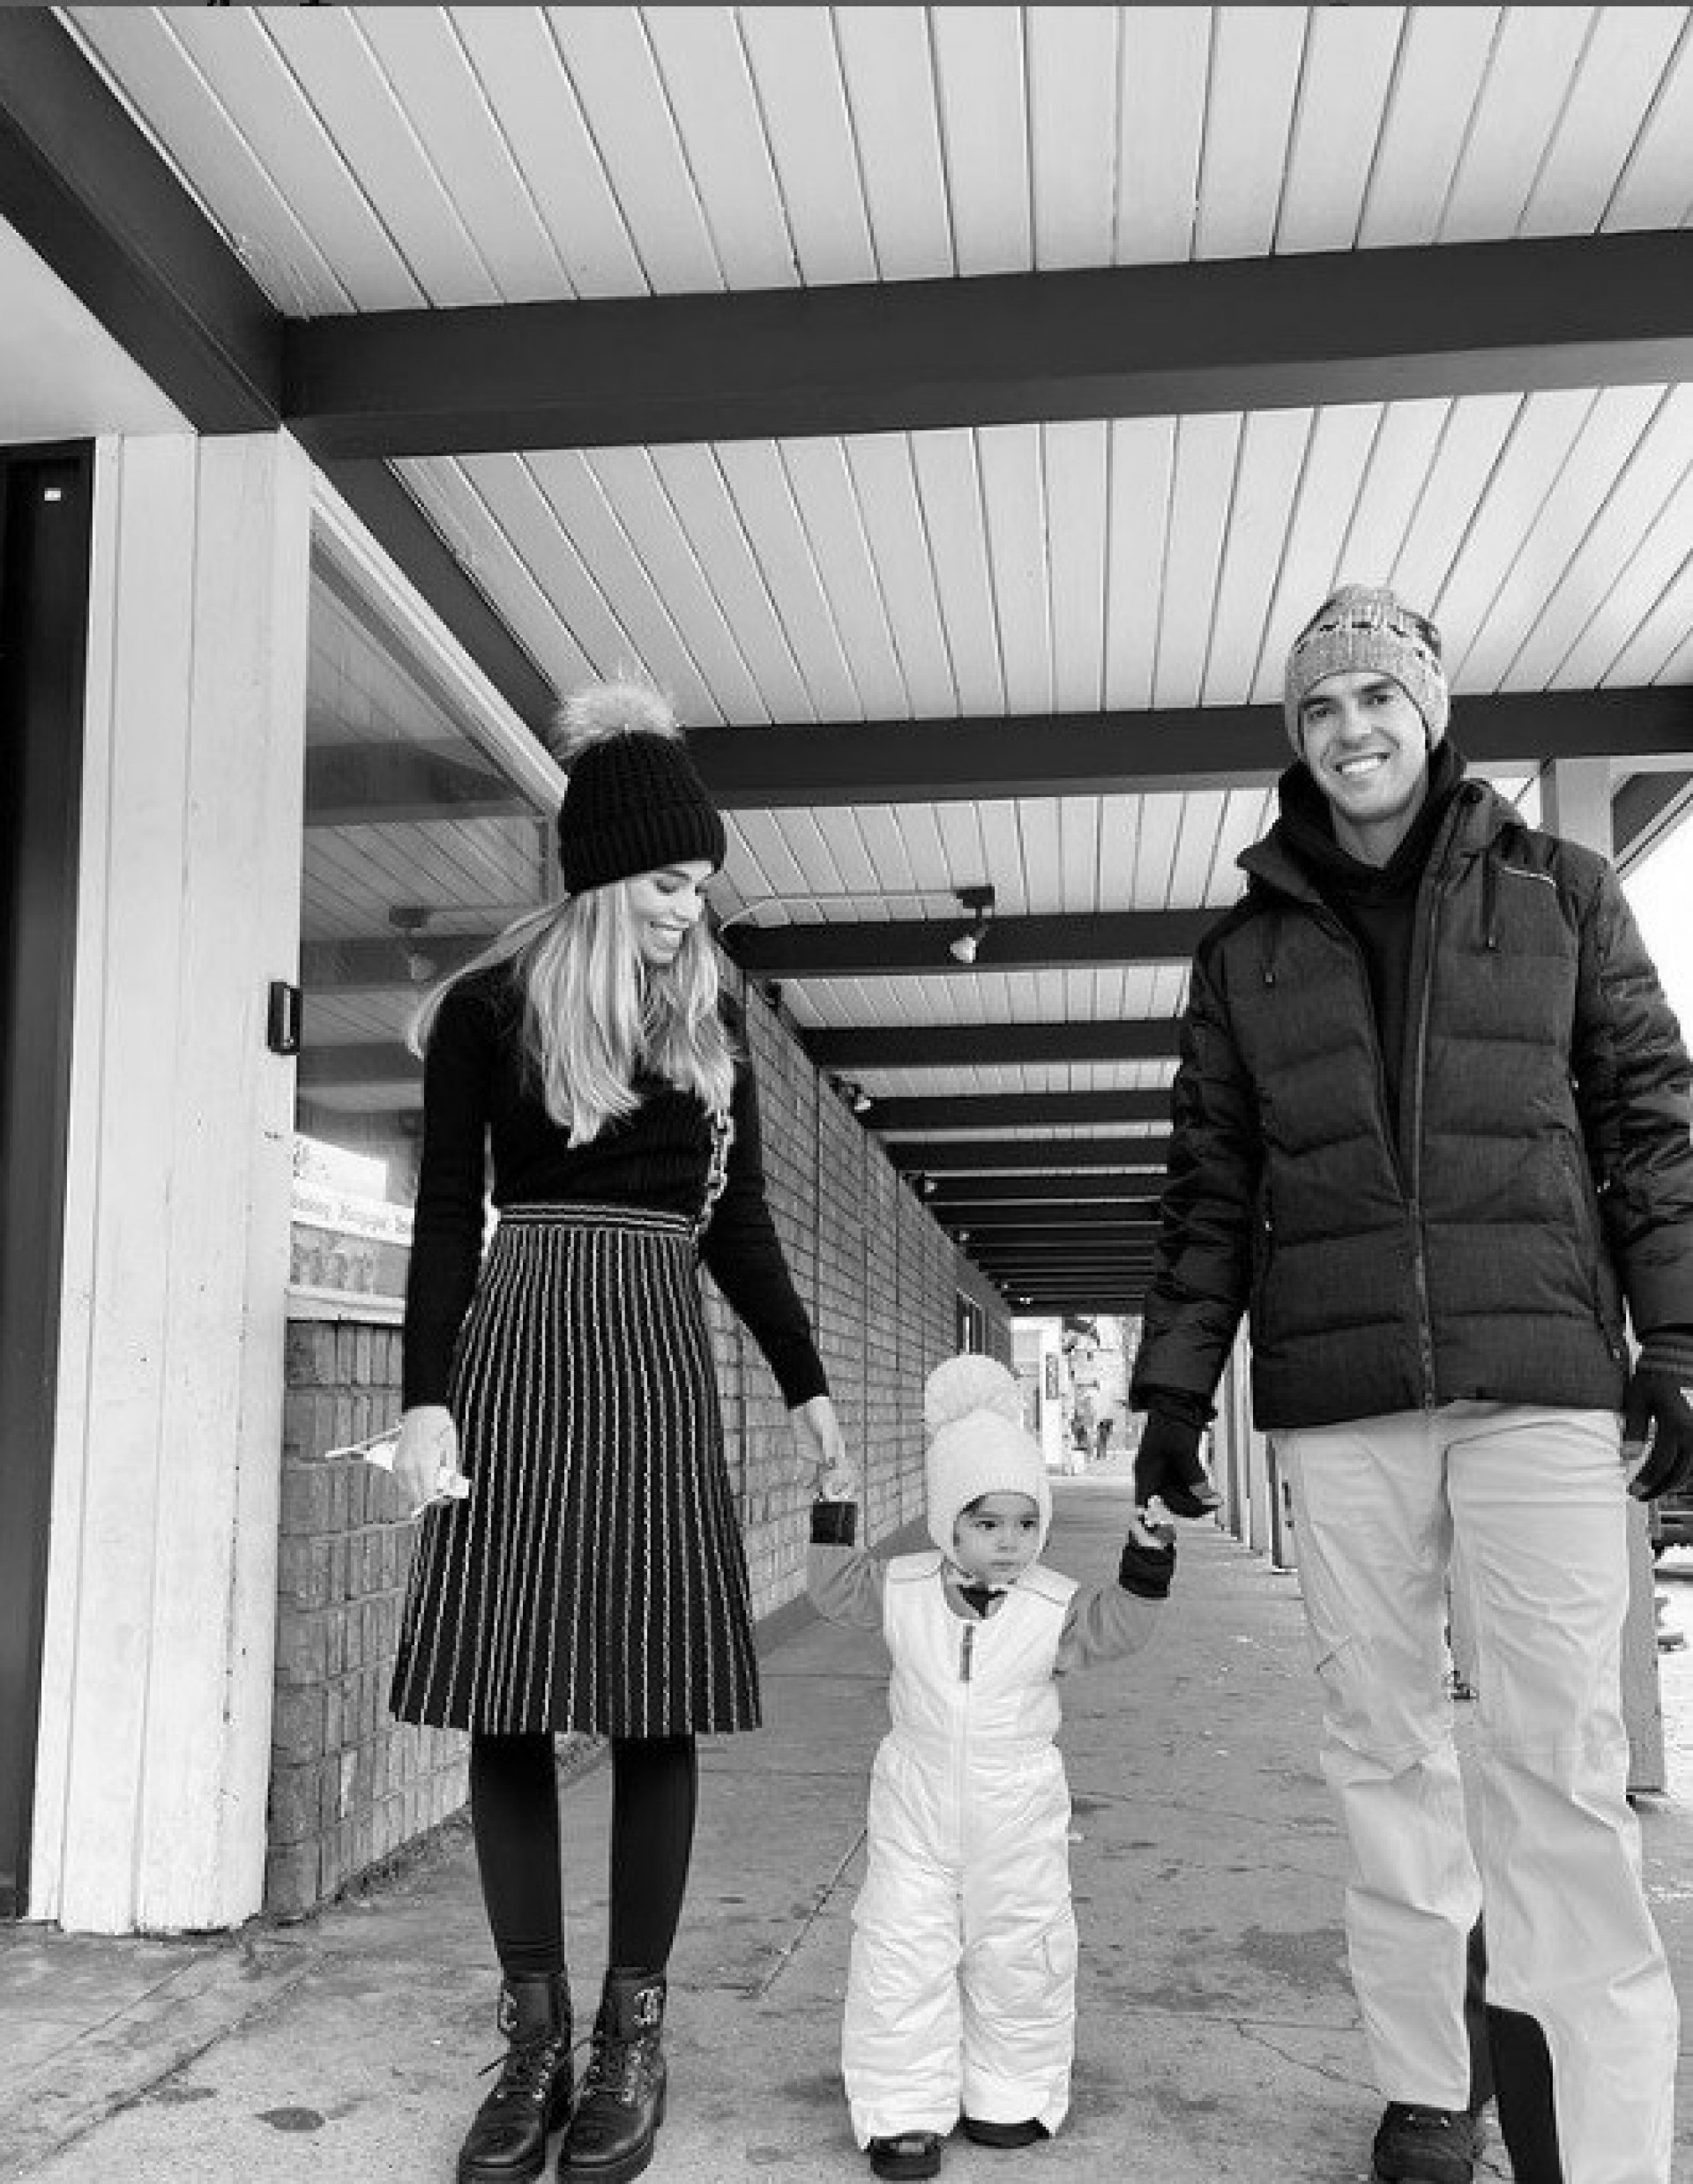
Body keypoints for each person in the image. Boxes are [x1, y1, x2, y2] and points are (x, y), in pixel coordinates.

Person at [1130, 584, 1693, 2184]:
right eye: (1319, 710)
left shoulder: (1564, 893)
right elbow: (1210, 1183)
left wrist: (1684, 1345)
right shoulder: (1246, 949)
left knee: (1558, 1766)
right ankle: (1433, 2081)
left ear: (1434, 712)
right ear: (1296, 742)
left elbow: (1652, 1126)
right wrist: (1176, 1390)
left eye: (1377, 697)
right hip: (1346, 1395)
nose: (1352, 730)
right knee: (1380, 1753)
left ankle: (1597, 2144)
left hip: (1540, 1380)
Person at [388, 679, 851, 2184]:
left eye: (702, 886)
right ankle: (533, 2034)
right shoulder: (484, 1013)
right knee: (505, 1691)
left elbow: (753, 1234)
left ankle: (632, 2033)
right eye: (665, 882)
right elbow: (448, 1217)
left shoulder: (712, 1022)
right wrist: (425, 1396)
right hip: (519, 1341)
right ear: (598, 874)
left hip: (653, 1352)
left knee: (655, 1693)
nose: (685, 911)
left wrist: (811, 1388)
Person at [807, 1353, 1175, 2180]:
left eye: (1024, 1523)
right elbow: (834, 1592)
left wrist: (1147, 1558)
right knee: (903, 1947)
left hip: (1017, 1808)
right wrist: (835, 1505)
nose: (1009, 1542)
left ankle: (1010, 2090)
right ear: (948, 1524)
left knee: (1020, 1945)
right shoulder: (899, 1589)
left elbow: (1122, 1628)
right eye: (987, 1523)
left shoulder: (1052, 1607)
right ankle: (902, 2108)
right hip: (916, 1804)